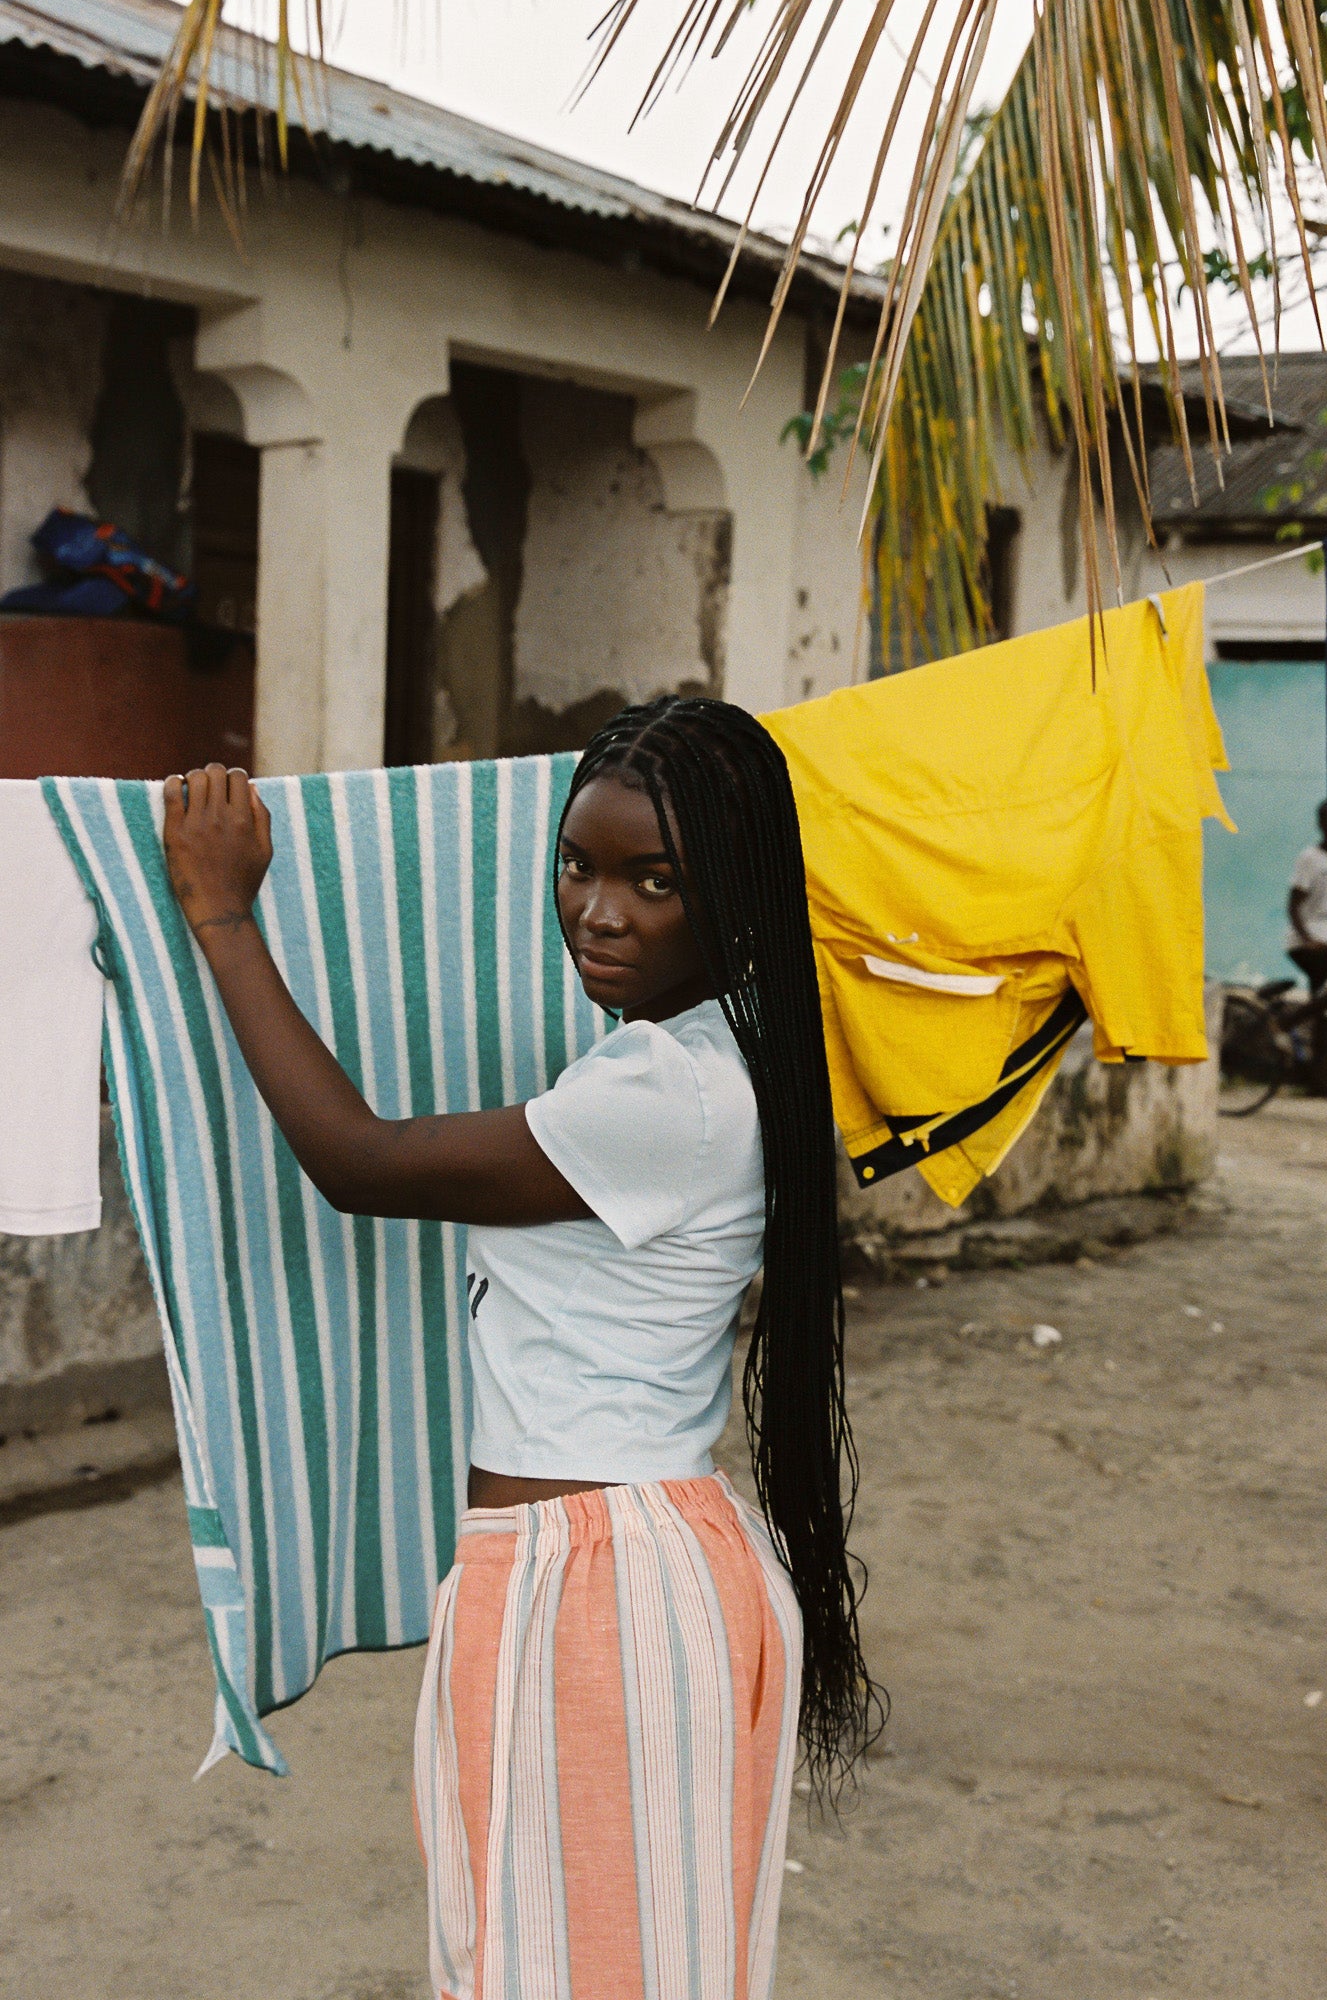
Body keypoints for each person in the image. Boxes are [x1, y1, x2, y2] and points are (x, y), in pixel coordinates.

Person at [161, 696, 883, 2000]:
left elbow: (361, 1162)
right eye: (578, 864)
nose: (599, 910)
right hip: (595, 1565)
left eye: (655, 880)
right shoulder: (718, 1044)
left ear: (732, 887)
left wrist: (221, 915)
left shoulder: (664, 1088)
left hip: (605, 1583)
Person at [1287, 800, 1327, 995]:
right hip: (1307, 943)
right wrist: (1307, 940)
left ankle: (1314, 1024)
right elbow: (1293, 905)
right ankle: (1282, 1023)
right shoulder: (1310, 858)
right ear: (1320, 823)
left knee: (1324, 999)